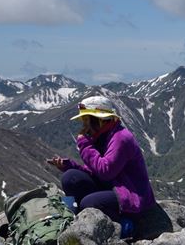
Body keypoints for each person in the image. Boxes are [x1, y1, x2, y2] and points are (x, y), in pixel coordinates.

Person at [47, 95, 156, 232]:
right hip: (114, 186)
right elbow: (95, 170)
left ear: (99, 119)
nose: (84, 125)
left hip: (130, 194)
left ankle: (123, 224)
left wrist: (84, 144)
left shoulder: (120, 138)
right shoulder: (103, 136)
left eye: (86, 120)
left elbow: (105, 172)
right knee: (70, 177)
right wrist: (69, 166)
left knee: (89, 203)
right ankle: (82, 221)